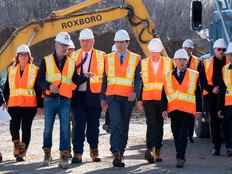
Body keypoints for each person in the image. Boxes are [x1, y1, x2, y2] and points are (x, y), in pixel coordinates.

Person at [102, 29, 141, 167]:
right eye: (117, 42)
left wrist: (136, 93)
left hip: (128, 98)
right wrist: (103, 98)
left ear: (127, 42)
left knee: (124, 126)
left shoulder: (136, 58)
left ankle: (121, 152)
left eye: (122, 42)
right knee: (116, 123)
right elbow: (104, 79)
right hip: (112, 97)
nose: (119, 45)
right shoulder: (107, 58)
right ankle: (115, 151)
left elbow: (138, 79)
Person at [38, 32, 77, 169]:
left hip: (65, 100)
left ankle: (64, 156)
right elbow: (40, 80)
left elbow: (74, 80)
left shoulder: (72, 62)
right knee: (47, 129)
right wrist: (49, 86)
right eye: (61, 44)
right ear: (55, 44)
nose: (64, 47)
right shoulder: (46, 60)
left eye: (66, 45)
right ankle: (47, 153)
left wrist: (85, 76)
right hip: (49, 100)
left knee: (65, 129)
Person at [162, 48, 202, 168]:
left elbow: (198, 94)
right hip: (174, 111)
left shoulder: (194, 75)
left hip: (188, 111)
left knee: (183, 134)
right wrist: (163, 109)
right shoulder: (168, 75)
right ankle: (179, 153)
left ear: (187, 61)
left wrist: (199, 110)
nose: (182, 62)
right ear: (174, 61)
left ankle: (180, 156)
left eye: (184, 60)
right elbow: (163, 94)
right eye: (179, 60)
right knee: (176, 133)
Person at [2, 44, 42, 162]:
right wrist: (5, 100)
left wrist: (40, 105)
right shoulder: (11, 69)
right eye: (21, 55)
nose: (23, 57)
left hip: (29, 105)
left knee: (26, 129)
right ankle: (17, 145)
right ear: (17, 56)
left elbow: (38, 89)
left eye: (26, 55)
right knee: (13, 128)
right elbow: (7, 87)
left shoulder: (35, 70)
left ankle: (21, 153)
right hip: (13, 104)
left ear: (29, 56)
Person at [71, 28, 105, 164]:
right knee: (78, 126)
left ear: (93, 41)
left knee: (93, 126)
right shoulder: (73, 56)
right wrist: (82, 77)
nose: (85, 43)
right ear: (79, 41)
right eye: (82, 41)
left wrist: (104, 97)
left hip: (95, 96)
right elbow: (70, 76)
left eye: (87, 40)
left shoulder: (102, 56)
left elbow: (107, 77)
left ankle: (94, 150)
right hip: (78, 96)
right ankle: (78, 153)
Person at [137, 38, 172, 163]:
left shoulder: (168, 62)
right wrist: (140, 99)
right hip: (148, 98)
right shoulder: (144, 62)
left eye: (157, 52)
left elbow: (170, 83)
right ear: (150, 51)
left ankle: (157, 150)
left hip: (162, 99)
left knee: (160, 125)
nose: (154, 54)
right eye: (153, 52)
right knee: (151, 123)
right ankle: (150, 149)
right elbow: (142, 82)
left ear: (161, 51)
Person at [202, 38, 227, 156]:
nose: (221, 51)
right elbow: (202, 81)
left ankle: (229, 147)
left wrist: (221, 89)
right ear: (214, 50)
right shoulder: (207, 63)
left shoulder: (229, 62)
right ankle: (216, 147)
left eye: (224, 49)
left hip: (226, 96)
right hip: (211, 97)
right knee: (214, 122)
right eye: (219, 49)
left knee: (227, 122)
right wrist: (212, 89)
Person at [182, 39, 202, 143]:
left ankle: (190, 135)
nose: (187, 50)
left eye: (189, 49)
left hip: (193, 91)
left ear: (191, 50)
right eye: (185, 48)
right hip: (181, 92)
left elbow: (200, 77)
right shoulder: (177, 60)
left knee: (190, 116)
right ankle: (184, 135)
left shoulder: (197, 61)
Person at [219, 42, 232, 157]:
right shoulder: (224, 69)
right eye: (229, 55)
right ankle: (229, 147)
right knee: (227, 127)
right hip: (228, 104)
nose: (230, 57)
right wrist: (220, 107)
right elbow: (223, 88)